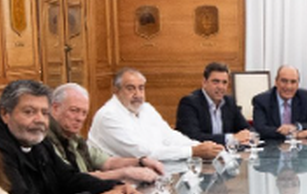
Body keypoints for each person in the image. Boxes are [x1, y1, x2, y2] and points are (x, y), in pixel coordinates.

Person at [0, 79, 138, 194]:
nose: (39, 119)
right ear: (5, 114)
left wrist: (115, 187)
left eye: (44, 113)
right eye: (29, 112)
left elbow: (69, 178)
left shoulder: (38, 140)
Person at [88, 67, 223, 162]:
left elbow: (170, 137)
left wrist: (203, 146)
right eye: (130, 88)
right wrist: (193, 151)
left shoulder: (146, 109)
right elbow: (144, 153)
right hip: (117, 181)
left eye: (141, 88)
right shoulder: (109, 116)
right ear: (116, 91)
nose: (138, 94)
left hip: (148, 172)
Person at [46, 82, 164, 184]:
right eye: (74, 111)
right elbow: (73, 179)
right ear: (55, 108)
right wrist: (125, 173)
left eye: (84, 113)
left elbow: (108, 162)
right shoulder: (45, 141)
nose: (80, 118)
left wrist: (141, 162)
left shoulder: (74, 139)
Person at [175, 62, 254, 146]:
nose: (220, 87)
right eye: (215, 82)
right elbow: (192, 136)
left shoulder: (229, 102)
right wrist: (231, 138)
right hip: (198, 156)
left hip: (226, 155)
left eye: (224, 82)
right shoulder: (190, 102)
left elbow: (246, 128)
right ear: (204, 82)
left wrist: (248, 135)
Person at [251, 64, 307, 141]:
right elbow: (260, 130)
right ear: (276, 82)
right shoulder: (262, 100)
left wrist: (297, 127)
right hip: (271, 149)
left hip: (299, 150)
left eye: (293, 82)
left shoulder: (305, 98)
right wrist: (294, 135)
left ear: (298, 84)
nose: (288, 86)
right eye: (284, 81)